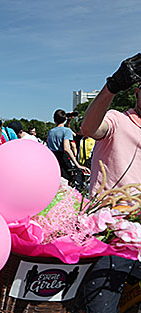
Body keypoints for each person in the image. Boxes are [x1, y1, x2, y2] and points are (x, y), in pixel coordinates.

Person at [79, 53, 141, 313]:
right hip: (110, 234)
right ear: (137, 92)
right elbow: (89, 128)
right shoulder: (118, 120)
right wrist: (111, 87)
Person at [47, 109, 89, 185]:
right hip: (63, 159)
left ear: (54, 119)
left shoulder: (50, 132)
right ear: (65, 118)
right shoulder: (67, 131)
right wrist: (77, 165)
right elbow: (66, 148)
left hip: (53, 159)